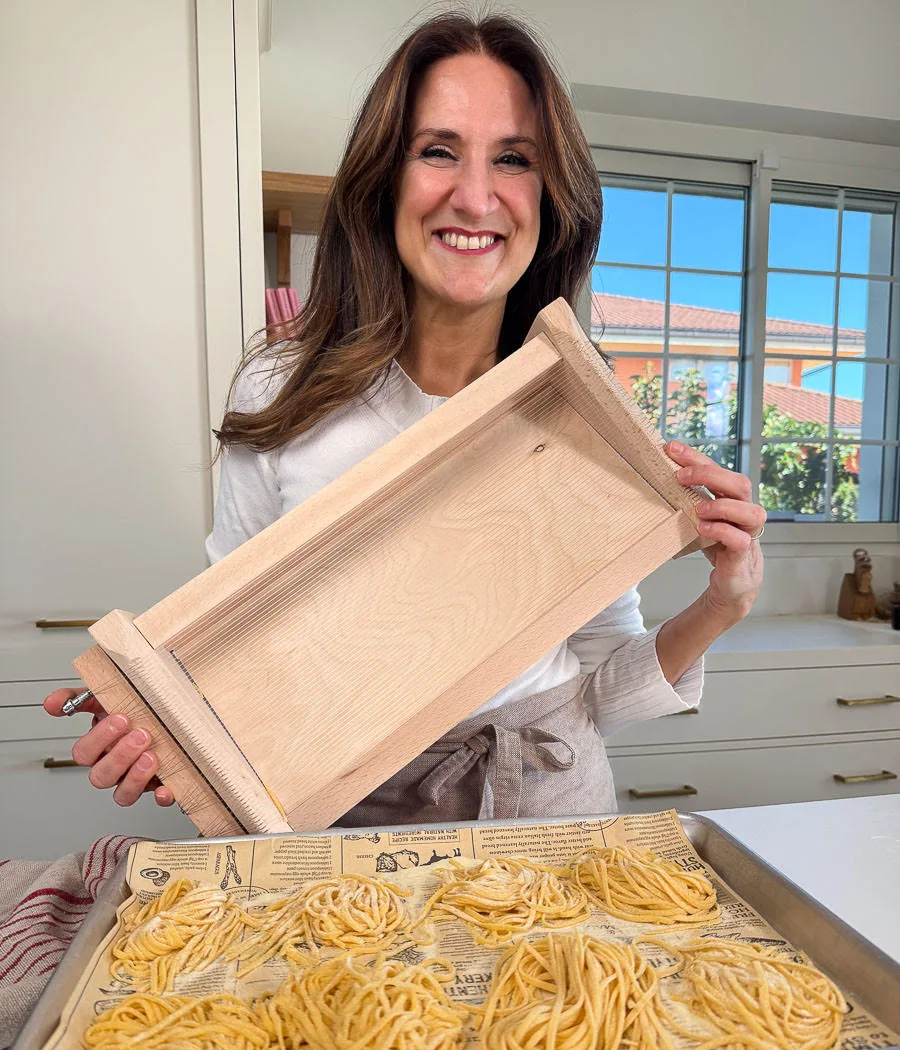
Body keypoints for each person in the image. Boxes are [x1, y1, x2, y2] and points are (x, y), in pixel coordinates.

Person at [44, 12, 765, 826]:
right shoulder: (281, 388)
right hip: (336, 817)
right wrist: (154, 724)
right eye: (438, 150)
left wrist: (722, 603)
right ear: (384, 177)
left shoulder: (581, 408)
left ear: (548, 195)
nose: (475, 195)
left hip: (549, 805)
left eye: (514, 159)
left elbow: (602, 685)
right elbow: (220, 667)